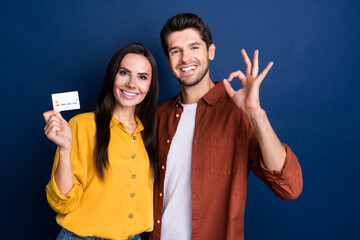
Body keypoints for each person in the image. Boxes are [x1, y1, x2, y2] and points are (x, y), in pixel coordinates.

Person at [148, 13, 303, 240]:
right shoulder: (158, 117)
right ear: (168, 59)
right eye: (176, 51)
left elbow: (289, 188)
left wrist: (256, 114)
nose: (185, 58)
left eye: (194, 47)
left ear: (211, 51)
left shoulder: (238, 112)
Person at [43, 43, 159, 240]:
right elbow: (63, 203)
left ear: (149, 86)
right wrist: (64, 149)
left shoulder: (149, 133)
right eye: (124, 73)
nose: (132, 84)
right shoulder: (81, 125)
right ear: (112, 76)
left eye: (142, 77)